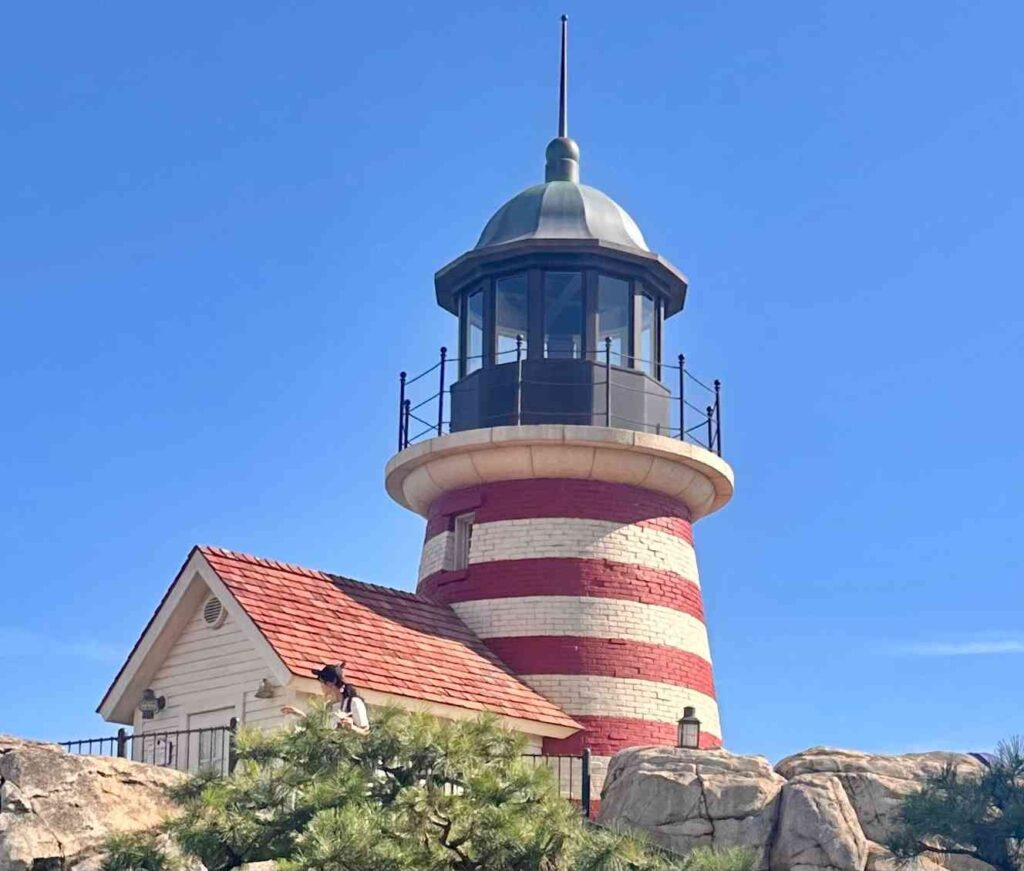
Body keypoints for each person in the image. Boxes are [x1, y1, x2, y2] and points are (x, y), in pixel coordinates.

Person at [280, 662, 370, 734]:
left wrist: (352, 728)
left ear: (330, 683)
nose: (321, 687)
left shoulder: (353, 703)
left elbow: (366, 732)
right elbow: (319, 729)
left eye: (322, 683)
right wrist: (299, 713)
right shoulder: (329, 707)